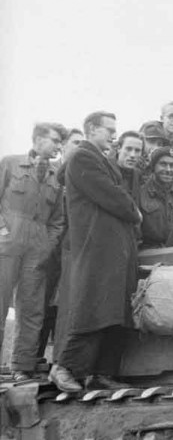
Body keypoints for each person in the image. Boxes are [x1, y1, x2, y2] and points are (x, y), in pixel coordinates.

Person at [49, 111, 141, 392]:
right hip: (98, 247)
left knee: (115, 311)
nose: (113, 134)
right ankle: (63, 366)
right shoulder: (83, 157)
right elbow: (114, 197)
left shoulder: (101, 160)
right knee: (93, 307)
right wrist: (133, 211)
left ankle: (100, 372)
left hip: (114, 247)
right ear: (91, 130)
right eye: (108, 130)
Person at [0, 122, 67, 382]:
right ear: (37, 140)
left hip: (36, 249)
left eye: (60, 142)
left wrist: (46, 247)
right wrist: (3, 233)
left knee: (31, 308)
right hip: (6, 245)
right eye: (53, 140)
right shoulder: (10, 163)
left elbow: (57, 220)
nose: (58, 146)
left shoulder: (56, 176)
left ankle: (22, 367)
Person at [37, 128, 83, 364]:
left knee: (61, 306)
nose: (78, 147)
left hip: (70, 247)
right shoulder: (50, 171)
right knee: (39, 303)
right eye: (75, 143)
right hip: (46, 247)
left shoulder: (82, 174)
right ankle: (33, 358)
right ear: (64, 146)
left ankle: (57, 361)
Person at [139, 147, 173, 248]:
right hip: (148, 253)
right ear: (153, 166)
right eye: (163, 164)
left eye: (172, 165)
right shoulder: (140, 193)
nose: (168, 170)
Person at [114, 131, 144, 205]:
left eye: (137, 151)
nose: (132, 155)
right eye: (128, 149)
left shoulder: (138, 175)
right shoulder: (106, 169)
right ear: (119, 148)